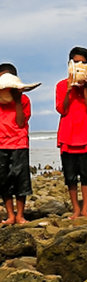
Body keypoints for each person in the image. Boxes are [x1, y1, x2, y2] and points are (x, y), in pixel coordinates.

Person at [56, 46, 87, 219]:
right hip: (68, 136)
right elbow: (62, 109)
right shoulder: (61, 85)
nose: (80, 66)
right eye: (76, 63)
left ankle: (85, 209)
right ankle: (76, 209)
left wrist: (85, 87)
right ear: (70, 64)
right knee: (70, 176)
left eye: (83, 63)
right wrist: (69, 88)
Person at [0, 65, 33, 226]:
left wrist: (18, 100)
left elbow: (21, 123)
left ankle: (20, 215)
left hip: (19, 143)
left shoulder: (24, 100)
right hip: (1, 144)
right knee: (4, 180)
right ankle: (10, 215)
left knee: (21, 180)